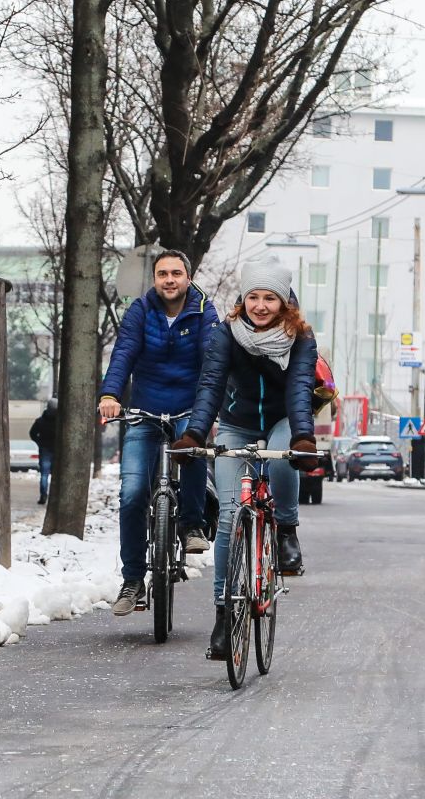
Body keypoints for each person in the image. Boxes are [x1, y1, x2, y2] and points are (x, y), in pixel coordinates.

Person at [174, 257, 320, 661]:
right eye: (253, 296)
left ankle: (287, 531)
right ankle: (223, 614)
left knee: (280, 459)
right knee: (227, 517)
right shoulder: (227, 335)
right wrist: (194, 435)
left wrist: (303, 438)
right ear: (243, 299)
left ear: (283, 302)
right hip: (236, 424)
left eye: (269, 298)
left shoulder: (300, 337)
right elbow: (210, 386)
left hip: (283, 419)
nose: (259, 305)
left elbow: (301, 389)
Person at [98, 249, 217, 617]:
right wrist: (110, 394)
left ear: (188, 276)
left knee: (192, 447)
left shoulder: (203, 310)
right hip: (144, 411)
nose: (169, 279)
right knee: (132, 493)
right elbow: (125, 352)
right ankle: (133, 580)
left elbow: (212, 357)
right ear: (154, 279)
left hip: (189, 406)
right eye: (163, 273)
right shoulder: (141, 310)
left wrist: (211, 407)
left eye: (176, 273)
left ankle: (192, 524)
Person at [29, 400, 58, 504]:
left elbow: (32, 433)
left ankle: (43, 495)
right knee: (56, 474)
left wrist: (39, 442)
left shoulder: (40, 421)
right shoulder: (60, 421)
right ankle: (55, 496)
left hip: (44, 449)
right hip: (57, 450)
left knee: (44, 474)